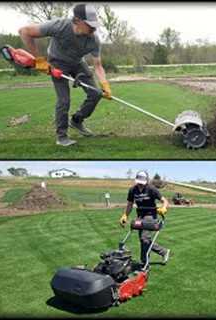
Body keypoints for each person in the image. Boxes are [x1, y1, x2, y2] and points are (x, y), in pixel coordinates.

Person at [18, 4, 112, 147]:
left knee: (96, 93)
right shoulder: (59, 26)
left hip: (78, 63)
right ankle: (62, 137)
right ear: (77, 20)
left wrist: (105, 84)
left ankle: (76, 120)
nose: (94, 29)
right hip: (57, 62)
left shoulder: (94, 40)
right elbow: (24, 31)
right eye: (90, 25)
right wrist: (40, 60)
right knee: (64, 100)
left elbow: (97, 65)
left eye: (95, 25)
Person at [119, 171, 170, 267]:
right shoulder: (132, 190)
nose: (140, 185)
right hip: (140, 216)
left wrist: (164, 208)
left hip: (150, 215)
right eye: (139, 182)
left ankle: (144, 263)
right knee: (144, 240)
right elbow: (130, 204)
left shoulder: (151, 189)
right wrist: (125, 215)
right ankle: (164, 251)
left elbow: (165, 200)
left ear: (146, 181)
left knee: (144, 238)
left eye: (142, 183)